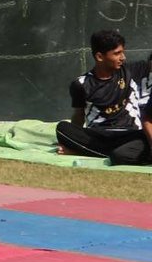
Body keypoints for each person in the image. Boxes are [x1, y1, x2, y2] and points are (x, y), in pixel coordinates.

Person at [56, 30, 151, 166]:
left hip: (131, 135)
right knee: (62, 128)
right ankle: (108, 152)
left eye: (123, 52)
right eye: (117, 53)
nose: (123, 57)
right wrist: (73, 138)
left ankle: (85, 151)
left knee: (138, 141)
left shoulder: (129, 71)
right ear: (100, 57)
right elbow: (79, 115)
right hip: (98, 136)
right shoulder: (81, 84)